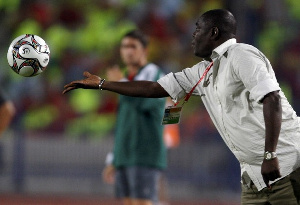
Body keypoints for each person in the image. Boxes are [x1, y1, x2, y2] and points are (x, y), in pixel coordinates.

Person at [63, 9, 300, 204]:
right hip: (254, 177)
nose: (193, 35)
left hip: (286, 165)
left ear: (214, 32)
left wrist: (271, 155)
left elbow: (272, 98)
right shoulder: (202, 71)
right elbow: (153, 88)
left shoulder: (242, 55)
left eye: (198, 29)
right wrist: (103, 84)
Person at [100, 30, 167, 205]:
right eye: (124, 46)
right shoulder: (128, 78)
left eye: (133, 46)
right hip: (126, 155)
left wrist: (121, 85)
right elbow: (124, 123)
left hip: (144, 154)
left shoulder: (154, 74)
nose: (128, 51)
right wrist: (114, 158)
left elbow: (147, 104)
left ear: (145, 50)